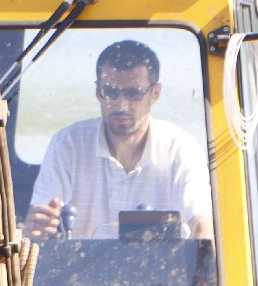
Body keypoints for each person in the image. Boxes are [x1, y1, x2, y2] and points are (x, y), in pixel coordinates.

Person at [26, 39, 212, 241]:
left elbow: (203, 228)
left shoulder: (181, 149)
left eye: (133, 93)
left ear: (155, 93)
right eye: (110, 92)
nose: (121, 104)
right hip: (77, 270)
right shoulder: (67, 144)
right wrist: (37, 227)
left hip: (161, 271)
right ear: (98, 92)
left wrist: (203, 260)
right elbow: (36, 224)